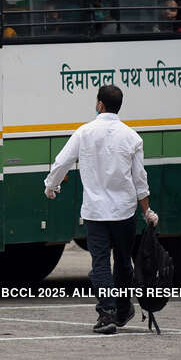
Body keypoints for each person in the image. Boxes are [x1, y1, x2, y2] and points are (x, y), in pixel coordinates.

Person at [43, 85, 158, 335]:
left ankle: (107, 313)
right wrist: (147, 211)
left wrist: (51, 186)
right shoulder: (132, 137)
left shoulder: (84, 133)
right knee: (123, 262)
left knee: (101, 263)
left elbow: (62, 162)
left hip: (95, 212)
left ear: (100, 105)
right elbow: (140, 179)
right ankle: (123, 309)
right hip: (124, 212)